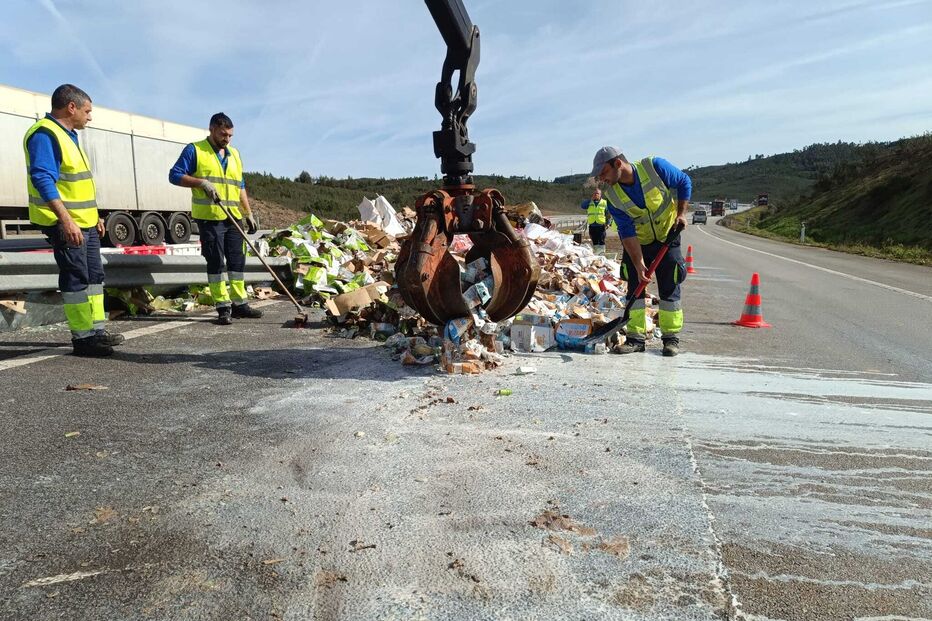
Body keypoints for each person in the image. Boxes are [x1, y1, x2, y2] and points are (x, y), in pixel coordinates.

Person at [24, 84, 124, 357]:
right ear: (71, 107)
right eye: (87, 111)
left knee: (94, 277)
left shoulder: (69, 135)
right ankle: (83, 339)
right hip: (67, 223)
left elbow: (77, 185)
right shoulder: (46, 134)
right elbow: (43, 178)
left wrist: (95, 217)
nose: (89, 117)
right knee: (77, 277)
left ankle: (97, 331)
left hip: (86, 221)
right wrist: (66, 220)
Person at [590, 146, 691, 357]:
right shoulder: (614, 198)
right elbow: (626, 233)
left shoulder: (654, 167)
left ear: (618, 163)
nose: (602, 179)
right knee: (635, 286)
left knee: (669, 284)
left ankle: (670, 339)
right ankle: (636, 339)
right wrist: (638, 264)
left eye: (604, 172)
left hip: (667, 236)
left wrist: (681, 214)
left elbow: (683, 182)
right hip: (640, 242)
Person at [169, 113, 261, 325]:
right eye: (223, 134)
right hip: (210, 218)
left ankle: (240, 304)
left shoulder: (235, 154)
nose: (227, 139)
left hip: (234, 218)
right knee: (216, 262)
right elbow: (174, 175)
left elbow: (240, 186)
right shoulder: (195, 150)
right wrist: (201, 183)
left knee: (237, 261)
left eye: (230, 135)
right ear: (211, 129)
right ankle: (222, 306)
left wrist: (248, 213)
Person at [580, 188, 609, 255]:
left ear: (600, 195)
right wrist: (590, 200)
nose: (595, 195)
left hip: (601, 225)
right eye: (594, 193)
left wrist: (608, 223)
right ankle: (596, 254)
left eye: (597, 193)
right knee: (594, 241)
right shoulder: (589, 202)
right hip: (592, 225)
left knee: (601, 241)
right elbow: (583, 206)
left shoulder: (604, 202)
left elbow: (608, 214)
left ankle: (602, 254)